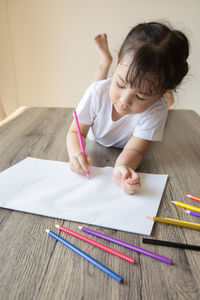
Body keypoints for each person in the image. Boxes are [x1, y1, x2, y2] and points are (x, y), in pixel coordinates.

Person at [67, 22, 189, 195]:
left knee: (159, 107)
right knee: (97, 87)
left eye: (140, 96)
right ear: (118, 63)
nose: (124, 101)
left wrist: (122, 167)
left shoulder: (156, 109)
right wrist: (76, 154)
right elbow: (75, 132)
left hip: (148, 114)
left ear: (160, 94)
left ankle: (160, 95)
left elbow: (135, 149)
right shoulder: (98, 92)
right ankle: (105, 62)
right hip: (98, 126)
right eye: (121, 84)